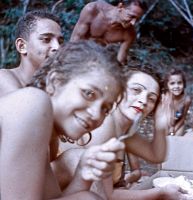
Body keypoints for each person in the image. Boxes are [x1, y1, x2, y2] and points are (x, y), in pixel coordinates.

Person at [0, 41, 126, 199]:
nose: (96, 114)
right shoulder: (31, 103)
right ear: (55, 81)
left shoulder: (48, 140)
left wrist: (82, 177)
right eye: (88, 94)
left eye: (105, 109)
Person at [56, 65, 188, 200]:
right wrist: (161, 193)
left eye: (151, 99)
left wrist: (160, 124)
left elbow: (156, 155)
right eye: (136, 90)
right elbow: (104, 196)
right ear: (118, 89)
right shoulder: (105, 125)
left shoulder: (124, 129)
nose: (143, 100)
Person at [0, 10, 63, 96]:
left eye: (60, 41)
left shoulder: (55, 83)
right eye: (46, 39)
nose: (57, 47)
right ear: (22, 46)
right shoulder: (4, 77)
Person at [70, 0, 146, 65]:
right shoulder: (93, 10)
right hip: (78, 53)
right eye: (131, 16)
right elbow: (74, 41)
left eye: (137, 19)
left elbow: (120, 61)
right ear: (120, 7)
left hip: (100, 63)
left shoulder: (129, 34)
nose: (133, 23)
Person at [163, 68, 192, 136]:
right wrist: (169, 129)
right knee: (163, 137)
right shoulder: (164, 98)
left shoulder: (187, 100)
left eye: (179, 83)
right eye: (172, 83)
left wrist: (173, 130)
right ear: (167, 85)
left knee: (177, 137)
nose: (176, 86)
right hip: (165, 123)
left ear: (184, 84)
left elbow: (183, 118)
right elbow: (163, 118)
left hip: (178, 123)